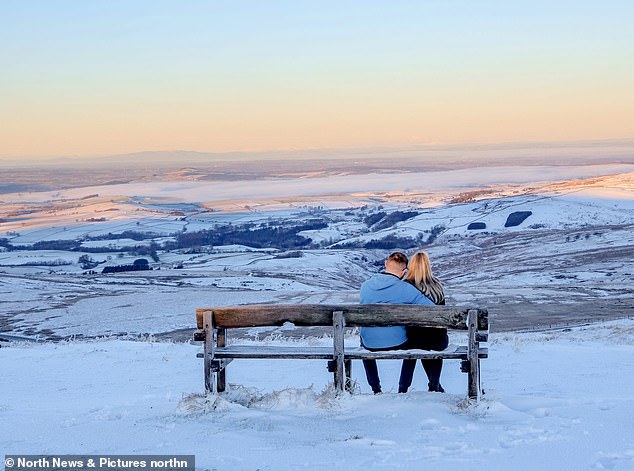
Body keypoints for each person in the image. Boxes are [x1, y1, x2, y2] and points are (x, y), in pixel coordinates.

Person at [359, 251, 434, 394]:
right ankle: (403, 388)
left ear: (385, 264)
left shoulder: (365, 286)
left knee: (362, 340)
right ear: (404, 272)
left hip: (370, 344)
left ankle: (376, 388)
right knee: (414, 342)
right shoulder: (406, 289)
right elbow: (433, 310)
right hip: (398, 343)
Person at [398, 251, 449, 393]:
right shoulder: (438, 286)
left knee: (415, 346)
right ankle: (434, 385)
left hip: (414, 339)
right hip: (437, 340)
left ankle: (403, 388)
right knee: (434, 343)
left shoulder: (406, 286)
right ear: (428, 266)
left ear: (412, 266)